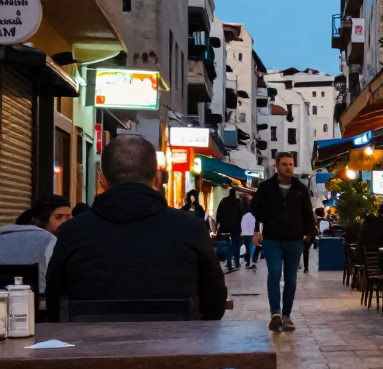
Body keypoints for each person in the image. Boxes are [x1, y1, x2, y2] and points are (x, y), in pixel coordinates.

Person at [45, 134, 226, 320]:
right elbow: (215, 304)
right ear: (156, 177)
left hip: (92, 347)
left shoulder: (72, 231)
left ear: (102, 180)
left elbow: (54, 306)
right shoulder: (191, 228)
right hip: (172, 347)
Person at [250, 151, 316, 332]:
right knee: (274, 273)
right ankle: (275, 314)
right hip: (272, 239)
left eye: (291, 164)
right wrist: (258, 230)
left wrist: (308, 235)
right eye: (285, 164)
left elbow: (308, 215)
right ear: (276, 167)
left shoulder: (301, 189)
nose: (288, 168)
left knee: (291, 280)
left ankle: (286, 316)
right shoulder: (266, 188)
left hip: (294, 240)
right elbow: (255, 209)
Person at [0, 195, 70, 293]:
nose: (65, 222)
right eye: (58, 217)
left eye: (69, 217)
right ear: (43, 219)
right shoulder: (49, 241)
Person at [216, 188, 244, 274]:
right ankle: (236, 263)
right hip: (235, 228)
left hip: (225, 228)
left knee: (228, 246)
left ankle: (228, 263)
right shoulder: (237, 202)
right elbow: (241, 213)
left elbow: (218, 213)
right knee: (236, 246)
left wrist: (218, 223)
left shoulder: (223, 201)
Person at [240, 203, 257, 270]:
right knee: (252, 249)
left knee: (248, 249)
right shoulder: (253, 216)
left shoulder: (244, 216)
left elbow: (242, 225)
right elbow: (254, 226)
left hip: (245, 235)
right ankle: (250, 263)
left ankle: (248, 262)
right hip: (251, 234)